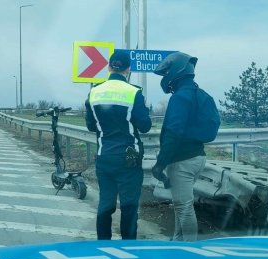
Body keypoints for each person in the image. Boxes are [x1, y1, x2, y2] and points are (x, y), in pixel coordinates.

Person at [85, 50, 152, 240]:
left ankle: (103, 245)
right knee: (129, 205)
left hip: (104, 155)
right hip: (129, 158)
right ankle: (127, 248)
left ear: (108, 67)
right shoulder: (134, 92)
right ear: (128, 69)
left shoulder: (94, 91)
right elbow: (145, 126)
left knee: (105, 204)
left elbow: (91, 125)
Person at [151, 52, 210, 241]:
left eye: (166, 72)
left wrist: (160, 163)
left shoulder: (180, 98)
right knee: (180, 204)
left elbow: (173, 133)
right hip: (198, 158)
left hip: (182, 161)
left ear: (175, 72)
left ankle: (191, 251)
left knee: (184, 208)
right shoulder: (200, 94)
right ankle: (177, 242)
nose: (165, 76)